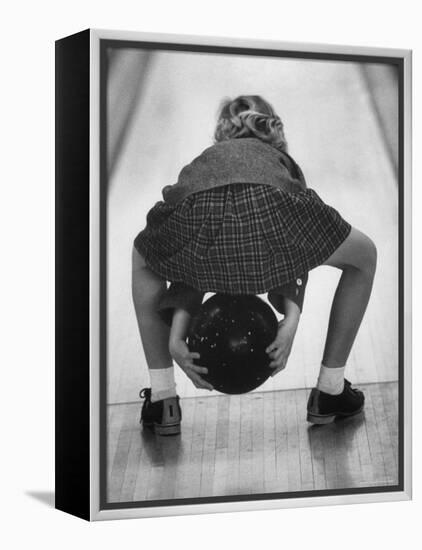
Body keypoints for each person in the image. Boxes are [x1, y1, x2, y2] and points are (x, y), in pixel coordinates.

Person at [132, 95, 377, 435]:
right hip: (273, 210)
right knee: (364, 258)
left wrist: (177, 336)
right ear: (272, 129)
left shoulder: (206, 160)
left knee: (143, 257)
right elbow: (294, 243)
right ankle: (331, 390)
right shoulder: (280, 160)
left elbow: (192, 255)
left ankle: (162, 399)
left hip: (196, 215)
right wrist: (290, 318)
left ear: (222, 135)